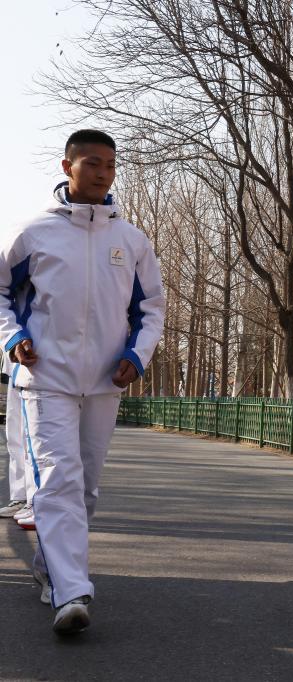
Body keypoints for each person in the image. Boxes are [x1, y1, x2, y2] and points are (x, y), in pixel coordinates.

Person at [0, 129, 167, 634]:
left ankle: (52, 571)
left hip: (103, 382)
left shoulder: (131, 240)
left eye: (110, 165)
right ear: (67, 166)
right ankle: (72, 592)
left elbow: (151, 308)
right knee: (58, 480)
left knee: (86, 487)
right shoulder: (34, 233)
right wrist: (13, 338)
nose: (102, 172)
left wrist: (137, 356)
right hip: (44, 377)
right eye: (92, 163)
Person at [1, 367, 30, 520]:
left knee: (31, 439)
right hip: (14, 369)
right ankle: (20, 496)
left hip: (38, 371)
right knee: (15, 437)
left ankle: (35, 500)